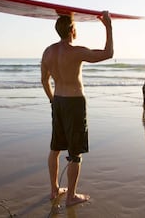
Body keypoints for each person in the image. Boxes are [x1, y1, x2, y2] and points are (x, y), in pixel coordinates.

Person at [41, 11, 113, 207]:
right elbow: (108, 54)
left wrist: (52, 100)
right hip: (74, 103)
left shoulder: (48, 52)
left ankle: (54, 189)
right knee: (75, 152)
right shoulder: (76, 51)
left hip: (58, 102)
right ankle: (71, 196)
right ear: (72, 30)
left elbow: (44, 80)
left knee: (55, 148)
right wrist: (108, 26)